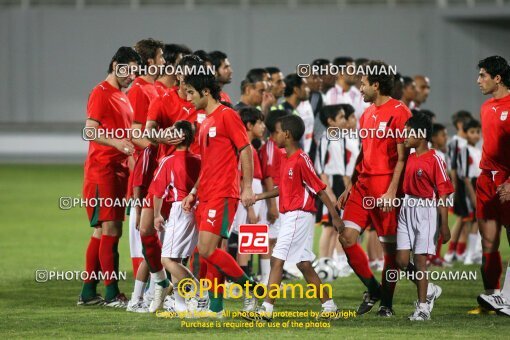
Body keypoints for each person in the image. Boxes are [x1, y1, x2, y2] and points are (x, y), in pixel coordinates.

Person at [182, 67, 262, 317]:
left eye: (191, 92)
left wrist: (247, 186)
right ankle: (216, 307)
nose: (188, 98)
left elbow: (246, 150)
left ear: (206, 91)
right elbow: (208, 163)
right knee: (211, 254)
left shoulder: (227, 116)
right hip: (205, 193)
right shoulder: (205, 122)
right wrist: (194, 191)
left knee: (206, 249)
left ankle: (252, 289)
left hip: (223, 193)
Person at [249, 114, 343, 321]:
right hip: (290, 216)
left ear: (288, 135)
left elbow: (319, 189)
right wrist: (258, 197)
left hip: (298, 215)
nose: (274, 136)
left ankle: (266, 310)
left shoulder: (301, 159)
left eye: (277, 132)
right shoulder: (285, 158)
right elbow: (282, 189)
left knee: (277, 259)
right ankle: (329, 307)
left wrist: (335, 217)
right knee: (303, 264)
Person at [336, 60, 413, 317]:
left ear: (376, 85)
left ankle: (387, 305)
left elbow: (403, 158)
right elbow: (363, 151)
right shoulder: (367, 113)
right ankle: (374, 288)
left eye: (364, 83)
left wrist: (392, 191)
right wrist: (350, 184)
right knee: (346, 236)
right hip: (363, 184)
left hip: (387, 186)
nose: (360, 87)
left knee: (389, 248)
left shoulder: (400, 112)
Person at [78, 47, 141, 307]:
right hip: (102, 171)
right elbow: (89, 131)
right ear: (117, 65)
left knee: (101, 233)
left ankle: (88, 293)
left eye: (136, 73)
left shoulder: (122, 96)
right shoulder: (100, 93)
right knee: (111, 230)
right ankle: (113, 293)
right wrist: (116, 144)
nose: (132, 77)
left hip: (117, 171)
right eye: (129, 71)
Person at [396, 113, 453, 321]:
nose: (405, 135)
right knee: (402, 261)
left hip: (425, 210)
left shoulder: (435, 159)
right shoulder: (409, 156)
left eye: (408, 131)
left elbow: (443, 193)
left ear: (421, 134)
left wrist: (444, 225)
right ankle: (429, 289)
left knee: (420, 261)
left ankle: (422, 308)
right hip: (406, 207)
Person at [151, 120, 208, 315]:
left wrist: (157, 214)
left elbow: (158, 191)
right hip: (196, 209)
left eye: (172, 132)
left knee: (167, 260)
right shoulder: (199, 159)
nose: (168, 134)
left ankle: (199, 292)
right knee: (177, 259)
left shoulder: (169, 160)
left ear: (180, 136)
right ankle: (180, 305)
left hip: (179, 210)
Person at [471, 56, 510, 316]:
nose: (478, 80)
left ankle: (508, 297)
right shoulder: (486, 107)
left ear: (498, 78)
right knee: (488, 242)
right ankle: (493, 297)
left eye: (483, 75)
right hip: (487, 179)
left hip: (508, 180)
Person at [258, 109, 289, 284]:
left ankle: (271, 277)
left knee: (275, 240)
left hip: (278, 195)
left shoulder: (277, 146)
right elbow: (268, 176)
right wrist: (272, 206)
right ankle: (265, 278)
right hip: (272, 196)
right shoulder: (270, 146)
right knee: (269, 240)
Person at [444, 110, 473, 264]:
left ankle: (460, 251)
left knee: (469, 219)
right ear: (461, 124)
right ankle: (450, 251)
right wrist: (454, 186)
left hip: (468, 183)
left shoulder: (468, 142)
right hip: (459, 184)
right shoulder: (455, 142)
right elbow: (452, 167)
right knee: (463, 218)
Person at [457, 119, 483, 266]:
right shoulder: (464, 151)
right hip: (470, 186)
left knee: (477, 221)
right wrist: (472, 195)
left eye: (478, 132)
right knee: (471, 220)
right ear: (465, 134)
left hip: (479, 185)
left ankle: (473, 252)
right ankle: (469, 254)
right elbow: (465, 176)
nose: (475, 135)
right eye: (472, 132)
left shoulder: (478, 150)